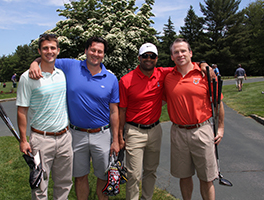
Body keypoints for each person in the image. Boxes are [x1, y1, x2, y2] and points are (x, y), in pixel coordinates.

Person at [29, 36, 120, 200]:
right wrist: (35, 63)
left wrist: (115, 140)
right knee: (80, 176)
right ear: (85, 51)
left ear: (103, 54)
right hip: (76, 134)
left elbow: (114, 112)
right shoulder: (71, 66)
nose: (96, 54)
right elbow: (48, 57)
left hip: (102, 134)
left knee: (103, 176)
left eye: (100, 51)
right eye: (92, 50)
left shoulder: (111, 79)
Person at [163, 38, 224, 200]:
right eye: (176, 52)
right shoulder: (168, 77)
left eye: (183, 51)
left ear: (190, 53)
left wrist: (221, 128)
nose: (180, 54)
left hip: (202, 130)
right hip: (178, 132)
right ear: (171, 57)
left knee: (206, 177)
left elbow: (218, 103)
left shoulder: (205, 74)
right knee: (184, 175)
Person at [16, 33, 73, 199]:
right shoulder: (27, 77)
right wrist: (23, 140)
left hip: (64, 138)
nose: (50, 51)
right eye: (45, 48)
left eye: (53, 48)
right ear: (39, 51)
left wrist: (36, 61)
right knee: (40, 186)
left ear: (58, 50)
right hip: (41, 139)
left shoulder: (62, 74)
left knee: (64, 183)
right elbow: (22, 110)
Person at [118, 43, 173, 200]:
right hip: (134, 131)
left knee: (150, 170)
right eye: (145, 56)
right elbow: (121, 110)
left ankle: (146, 198)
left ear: (156, 59)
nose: (148, 59)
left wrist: (203, 65)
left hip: (155, 130)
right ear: (139, 58)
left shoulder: (162, 74)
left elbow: (184, 66)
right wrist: (120, 135)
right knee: (133, 174)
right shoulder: (126, 80)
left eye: (152, 56)